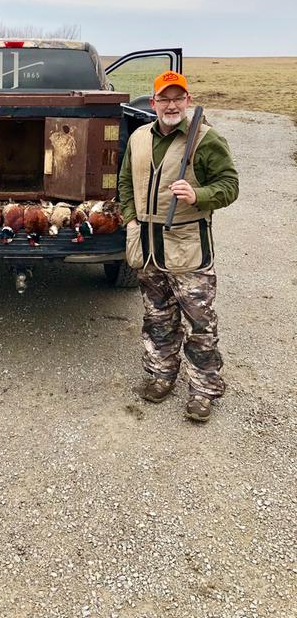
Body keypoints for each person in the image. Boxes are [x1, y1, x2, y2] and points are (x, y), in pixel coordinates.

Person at [118, 70, 239, 422]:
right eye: (164, 98)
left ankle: (203, 391)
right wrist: (130, 218)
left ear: (187, 101)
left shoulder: (205, 139)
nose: (171, 105)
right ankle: (161, 375)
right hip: (148, 246)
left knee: (200, 323)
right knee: (158, 317)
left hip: (187, 248)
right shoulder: (139, 137)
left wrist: (198, 195)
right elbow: (125, 181)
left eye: (178, 98)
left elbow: (229, 185)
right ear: (153, 103)